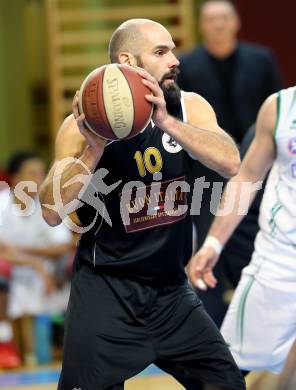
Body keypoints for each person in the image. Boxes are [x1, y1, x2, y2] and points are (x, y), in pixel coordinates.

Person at [40, 18, 245, 390]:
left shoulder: (187, 107)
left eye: (173, 50)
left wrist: (167, 123)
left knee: (227, 383)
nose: (174, 60)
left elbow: (231, 162)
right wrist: (94, 150)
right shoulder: (82, 126)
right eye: (161, 51)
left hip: (171, 291)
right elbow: (51, 211)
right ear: (129, 61)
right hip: (107, 291)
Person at [178, 0, 282, 325]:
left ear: (236, 23)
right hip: (205, 174)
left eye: (224, 18)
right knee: (209, 245)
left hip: (259, 169)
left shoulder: (260, 59)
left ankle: (258, 320)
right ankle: (213, 337)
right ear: (201, 26)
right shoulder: (187, 65)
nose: (218, 24)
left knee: (255, 241)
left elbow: (278, 109)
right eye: (211, 19)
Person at [188, 85, 296, 375]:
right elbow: (247, 177)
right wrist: (213, 243)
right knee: (226, 374)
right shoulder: (280, 107)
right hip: (280, 262)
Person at [0, 151, 72, 366]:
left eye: (42, 173)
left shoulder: (50, 204)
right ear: (15, 178)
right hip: (11, 271)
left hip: (46, 275)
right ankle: (6, 343)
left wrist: (26, 254)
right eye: (32, 173)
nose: (39, 179)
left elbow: (64, 245)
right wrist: (35, 262)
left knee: (74, 264)